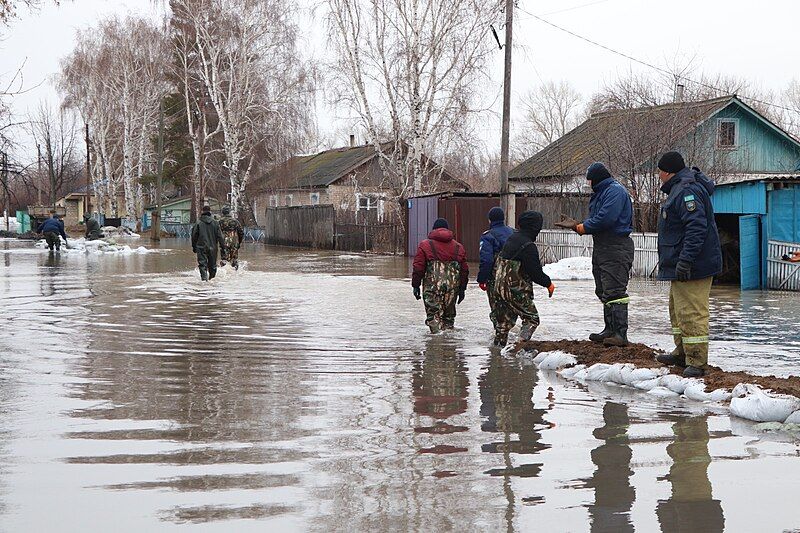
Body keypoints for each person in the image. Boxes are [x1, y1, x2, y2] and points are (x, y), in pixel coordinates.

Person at [654, 151, 722, 378]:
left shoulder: (686, 191)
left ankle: (697, 361)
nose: (659, 176)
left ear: (667, 171)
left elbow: (696, 228)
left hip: (693, 266)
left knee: (692, 312)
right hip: (681, 265)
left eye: (660, 171)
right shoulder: (679, 188)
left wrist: (685, 260)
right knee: (678, 310)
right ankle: (682, 353)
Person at [556, 162, 634, 346]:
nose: (588, 183)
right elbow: (597, 218)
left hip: (616, 245)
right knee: (603, 289)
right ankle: (610, 329)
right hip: (602, 245)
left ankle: (620, 334)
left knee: (615, 290)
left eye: (589, 180)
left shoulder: (615, 191)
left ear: (596, 179)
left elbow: (606, 218)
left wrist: (581, 227)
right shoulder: (601, 193)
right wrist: (579, 225)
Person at [491, 210, 555, 348]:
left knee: (503, 324)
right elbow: (535, 273)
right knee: (532, 319)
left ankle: (497, 355)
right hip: (515, 289)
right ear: (535, 227)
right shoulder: (528, 246)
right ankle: (519, 346)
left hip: (498, 288)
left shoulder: (512, 239)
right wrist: (548, 284)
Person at [411, 218, 469, 333]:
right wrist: (462, 289)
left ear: (433, 229)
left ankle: (435, 345)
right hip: (452, 288)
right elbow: (464, 271)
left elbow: (418, 267)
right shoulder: (458, 247)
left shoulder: (425, 245)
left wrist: (415, 285)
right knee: (449, 319)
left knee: (433, 318)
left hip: (432, 288)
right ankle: (449, 347)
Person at [477, 206, 514, 330]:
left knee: (498, 311)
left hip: (496, 280)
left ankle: (499, 342)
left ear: (489, 220)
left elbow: (486, 261)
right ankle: (514, 339)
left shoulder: (488, 236)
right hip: (515, 279)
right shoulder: (514, 233)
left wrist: (482, 279)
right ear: (503, 218)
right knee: (512, 309)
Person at [191, 205, 226, 281]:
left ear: (202, 212)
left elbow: (194, 236)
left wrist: (194, 247)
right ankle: (211, 280)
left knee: (202, 265)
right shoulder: (215, 223)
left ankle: (204, 281)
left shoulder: (198, 223)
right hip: (213, 248)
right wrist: (223, 247)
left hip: (201, 247)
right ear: (210, 212)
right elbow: (220, 236)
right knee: (213, 266)